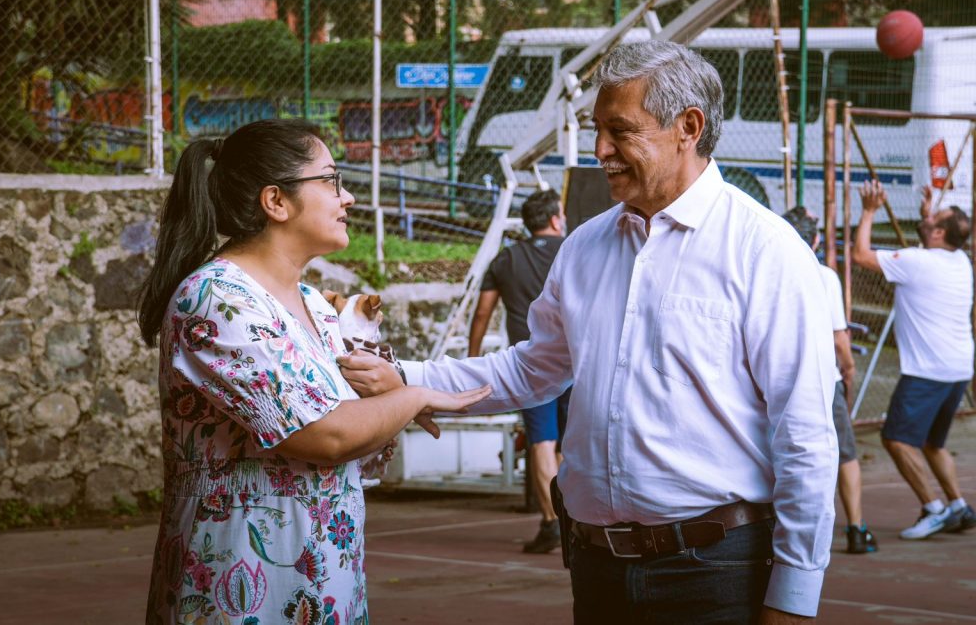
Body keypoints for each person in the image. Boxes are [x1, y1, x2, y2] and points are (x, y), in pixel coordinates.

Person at [341, 41, 838, 623]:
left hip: (717, 569)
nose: (600, 150)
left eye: (620, 131)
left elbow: (805, 434)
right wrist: (407, 380)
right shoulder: (585, 246)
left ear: (689, 127)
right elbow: (532, 368)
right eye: (597, 130)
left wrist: (793, 598)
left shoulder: (765, 250)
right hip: (597, 567)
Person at [136, 119, 489, 624]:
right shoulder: (216, 299)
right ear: (276, 201)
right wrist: (413, 397)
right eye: (331, 180)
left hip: (325, 582)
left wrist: (384, 391)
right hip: (240, 585)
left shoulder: (315, 306)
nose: (348, 198)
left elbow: (351, 436)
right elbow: (326, 436)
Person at [851, 180, 976, 539]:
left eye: (935, 217)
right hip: (958, 368)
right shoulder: (960, 260)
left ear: (938, 233)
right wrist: (927, 217)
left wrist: (869, 212)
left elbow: (861, 255)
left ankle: (933, 509)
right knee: (933, 444)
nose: (929, 215)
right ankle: (958, 505)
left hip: (927, 371)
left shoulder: (917, 262)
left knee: (896, 439)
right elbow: (931, 246)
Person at [468, 189, 571, 554]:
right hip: (576, 361)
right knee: (570, 443)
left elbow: (483, 312)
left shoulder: (506, 258)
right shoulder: (575, 249)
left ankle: (552, 522)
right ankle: (572, 520)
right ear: (556, 219)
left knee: (542, 441)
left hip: (532, 367)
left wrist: (473, 358)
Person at [783, 206, 877, 554]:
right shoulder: (824, 276)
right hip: (823, 379)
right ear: (816, 241)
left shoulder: (771, 271)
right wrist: (848, 368)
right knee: (844, 453)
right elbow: (840, 338)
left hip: (779, 379)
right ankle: (856, 527)